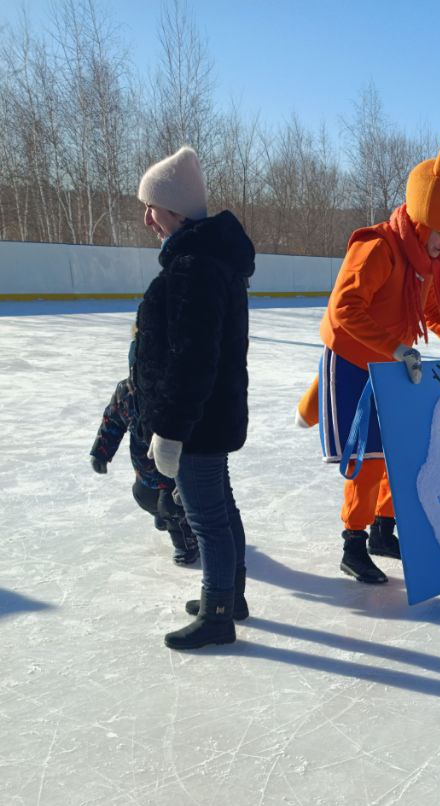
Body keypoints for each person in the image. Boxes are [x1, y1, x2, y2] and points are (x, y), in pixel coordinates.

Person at [295, 142, 440, 585]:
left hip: (392, 366)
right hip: (352, 362)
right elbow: (344, 310)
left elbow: (436, 315)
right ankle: (353, 541)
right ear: (426, 217)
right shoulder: (379, 248)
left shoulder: (429, 261)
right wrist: (395, 347)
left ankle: (384, 529)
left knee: (401, 453)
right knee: (367, 458)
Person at [135, 145, 255, 650]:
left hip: (198, 420)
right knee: (220, 507)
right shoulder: (210, 260)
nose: (147, 219)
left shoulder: (193, 268)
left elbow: (191, 358)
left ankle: (218, 613)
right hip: (213, 412)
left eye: (153, 208)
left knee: (207, 517)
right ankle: (232, 595)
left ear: (177, 211)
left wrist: (170, 429)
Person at [90, 331, 198, 567]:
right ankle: (167, 517)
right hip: (146, 470)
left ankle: (187, 542)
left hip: (174, 472)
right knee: (142, 496)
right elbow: (113, 421)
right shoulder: (125, 392)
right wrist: (101, 451)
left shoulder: (172, 396)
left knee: (171, 505)